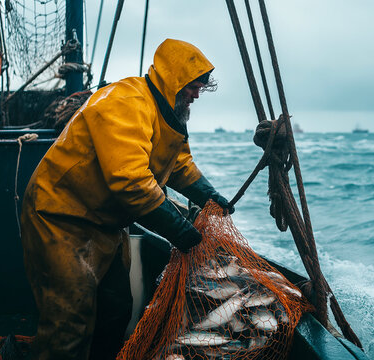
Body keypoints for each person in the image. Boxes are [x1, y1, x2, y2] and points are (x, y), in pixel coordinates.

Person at [20, 39, 234, 360]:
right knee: (70, 322)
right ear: (172, 79)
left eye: (201, 87)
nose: (196, 94)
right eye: (192, 86)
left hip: (106, 223)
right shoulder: (127, 101)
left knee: (117, 308)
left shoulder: (170, 114)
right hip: (60, 216)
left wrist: (210, 196)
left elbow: (179, 165)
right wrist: (180, 231)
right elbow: (130, 182)